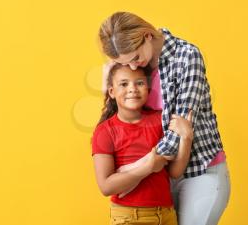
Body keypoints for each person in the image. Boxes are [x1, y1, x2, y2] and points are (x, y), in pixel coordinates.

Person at [98, 12, 231, 225]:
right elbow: (122, 118)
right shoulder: (139, 63)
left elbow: (179, 131)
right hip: (160, 177)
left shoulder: (187, 56)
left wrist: (133, 171)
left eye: (134, 58)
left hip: (199, 171)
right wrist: (108, 75)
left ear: (148, 36)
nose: (132, 67)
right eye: (126, 62)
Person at [91, 64, 193, 225]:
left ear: (148, 88)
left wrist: (187, 137)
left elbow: (174, 172)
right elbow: (106, 186)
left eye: (139, 83)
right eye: (124, 84)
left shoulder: (160, 120)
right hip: (130, 217)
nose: (133, 89)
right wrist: (148, 167)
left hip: (166, 214)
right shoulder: (105, 132)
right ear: (112, 92)